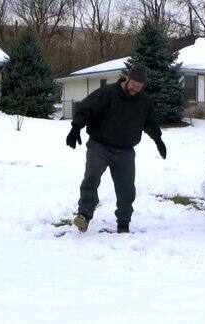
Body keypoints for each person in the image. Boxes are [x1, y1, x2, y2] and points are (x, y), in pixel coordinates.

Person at [66, 66, 166, 234]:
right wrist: (76, 127)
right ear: (128, 79)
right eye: (134, 84)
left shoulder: (143, 101)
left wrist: (158, 140)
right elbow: (86, 108)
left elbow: (150, 122)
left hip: (125, 151)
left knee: (127, 189)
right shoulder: (108, 93)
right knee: (91, 178)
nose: (136, 89)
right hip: (100, 145)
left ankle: (123, 222)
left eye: (140, 86)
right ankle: (84, 215)